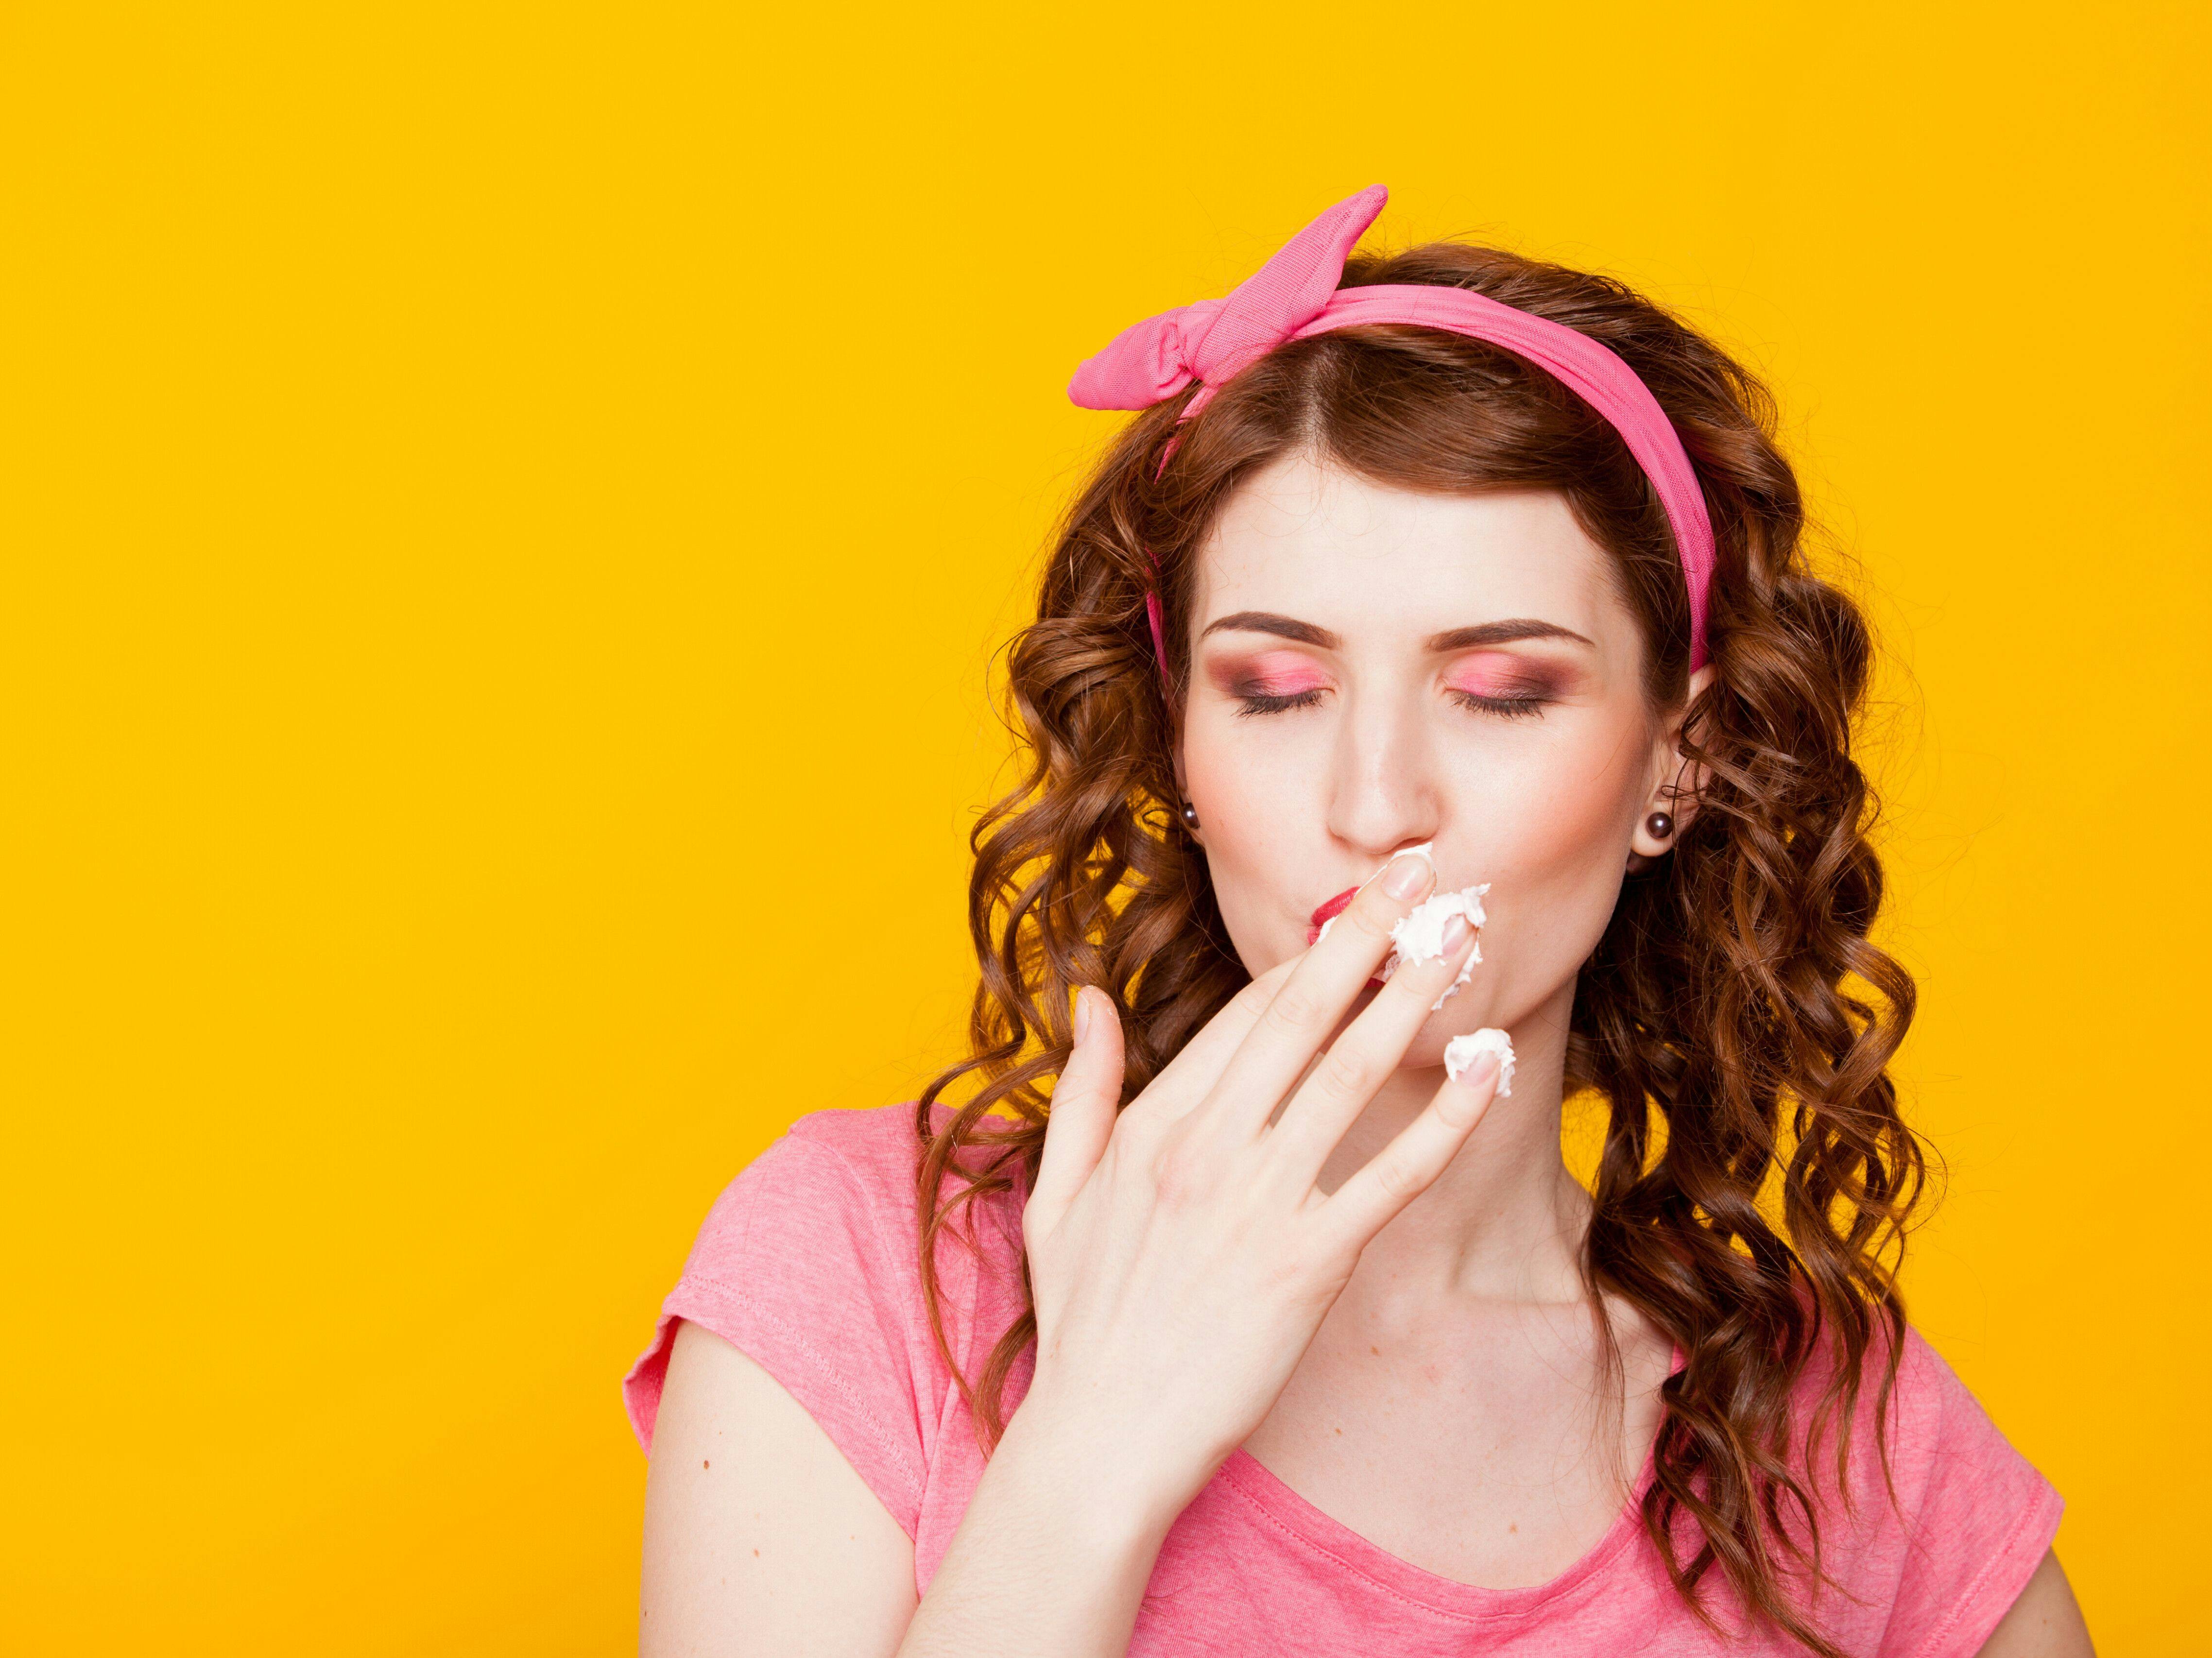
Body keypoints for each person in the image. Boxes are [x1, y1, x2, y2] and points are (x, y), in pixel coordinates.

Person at [621, 185, 2094, 1658]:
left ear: (1675, 763)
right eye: (1278, 691)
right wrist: (1093, 1449)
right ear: (1181, 751)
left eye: (1503, 691)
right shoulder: (870, 1270)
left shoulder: (1845, 1448)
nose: (1378, 799)